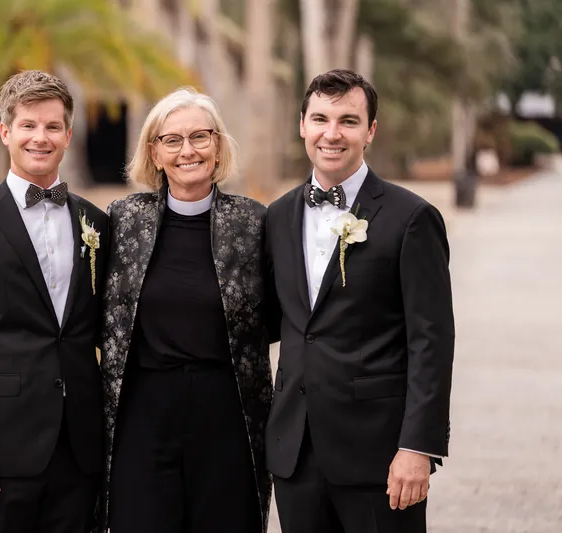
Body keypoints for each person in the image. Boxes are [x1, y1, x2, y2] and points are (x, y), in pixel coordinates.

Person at [265, 68, 455, 533]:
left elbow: (432, 341)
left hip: (380, 457)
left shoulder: (412, 219)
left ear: (370, 131)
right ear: (302, 125)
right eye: (321, 119)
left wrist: (417, 447)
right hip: (296, 457)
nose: (332, 134)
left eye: (348, 121)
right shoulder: (277, 216)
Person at [0, 69, 110, 533]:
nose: (40, 137)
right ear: (6, 132)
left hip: (79, 449)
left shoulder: (95, 223)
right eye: (28, 125)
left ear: (68, 135)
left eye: (52, 127)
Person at [99, 87, 275, 533]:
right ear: (154, 153)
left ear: (218, 147)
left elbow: (277, 316)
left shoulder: (254, 223)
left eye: (200, 136)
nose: (187, 150)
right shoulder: (123, 220)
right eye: (172, 140)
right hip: (143, 413)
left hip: (229, 412)